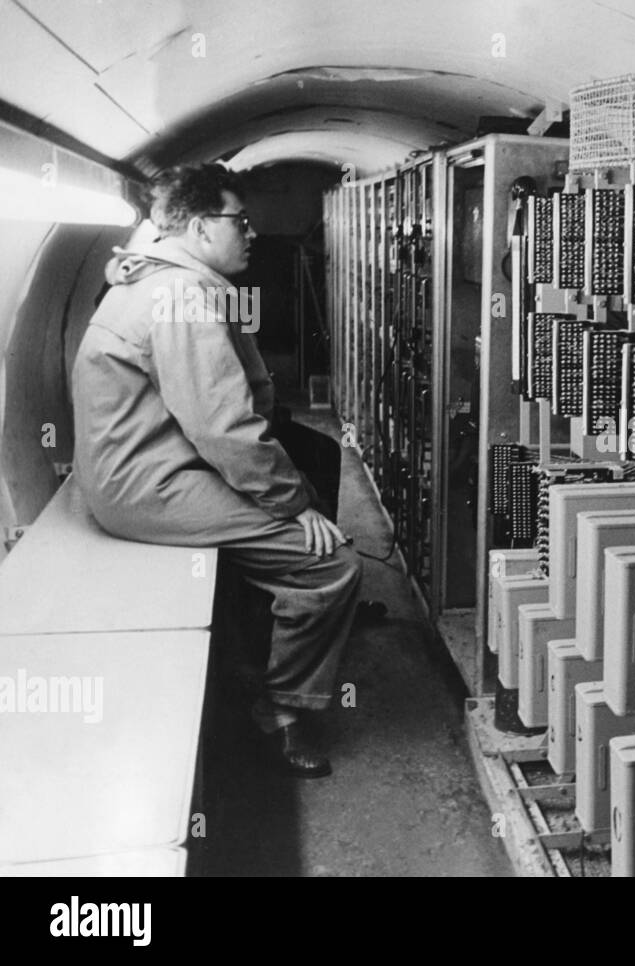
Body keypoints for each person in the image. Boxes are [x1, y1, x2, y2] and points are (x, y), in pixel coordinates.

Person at [72, 163, 359, 778]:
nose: (252, 233)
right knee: (330, 564)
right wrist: (293, 506)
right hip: (148, 483)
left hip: (143, 464)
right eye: (241, 221)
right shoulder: (180, 297)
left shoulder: (158, 277)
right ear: (202, 227)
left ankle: (266, 643)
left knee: (313, 460)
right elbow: (222, 427)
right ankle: (278, 708)